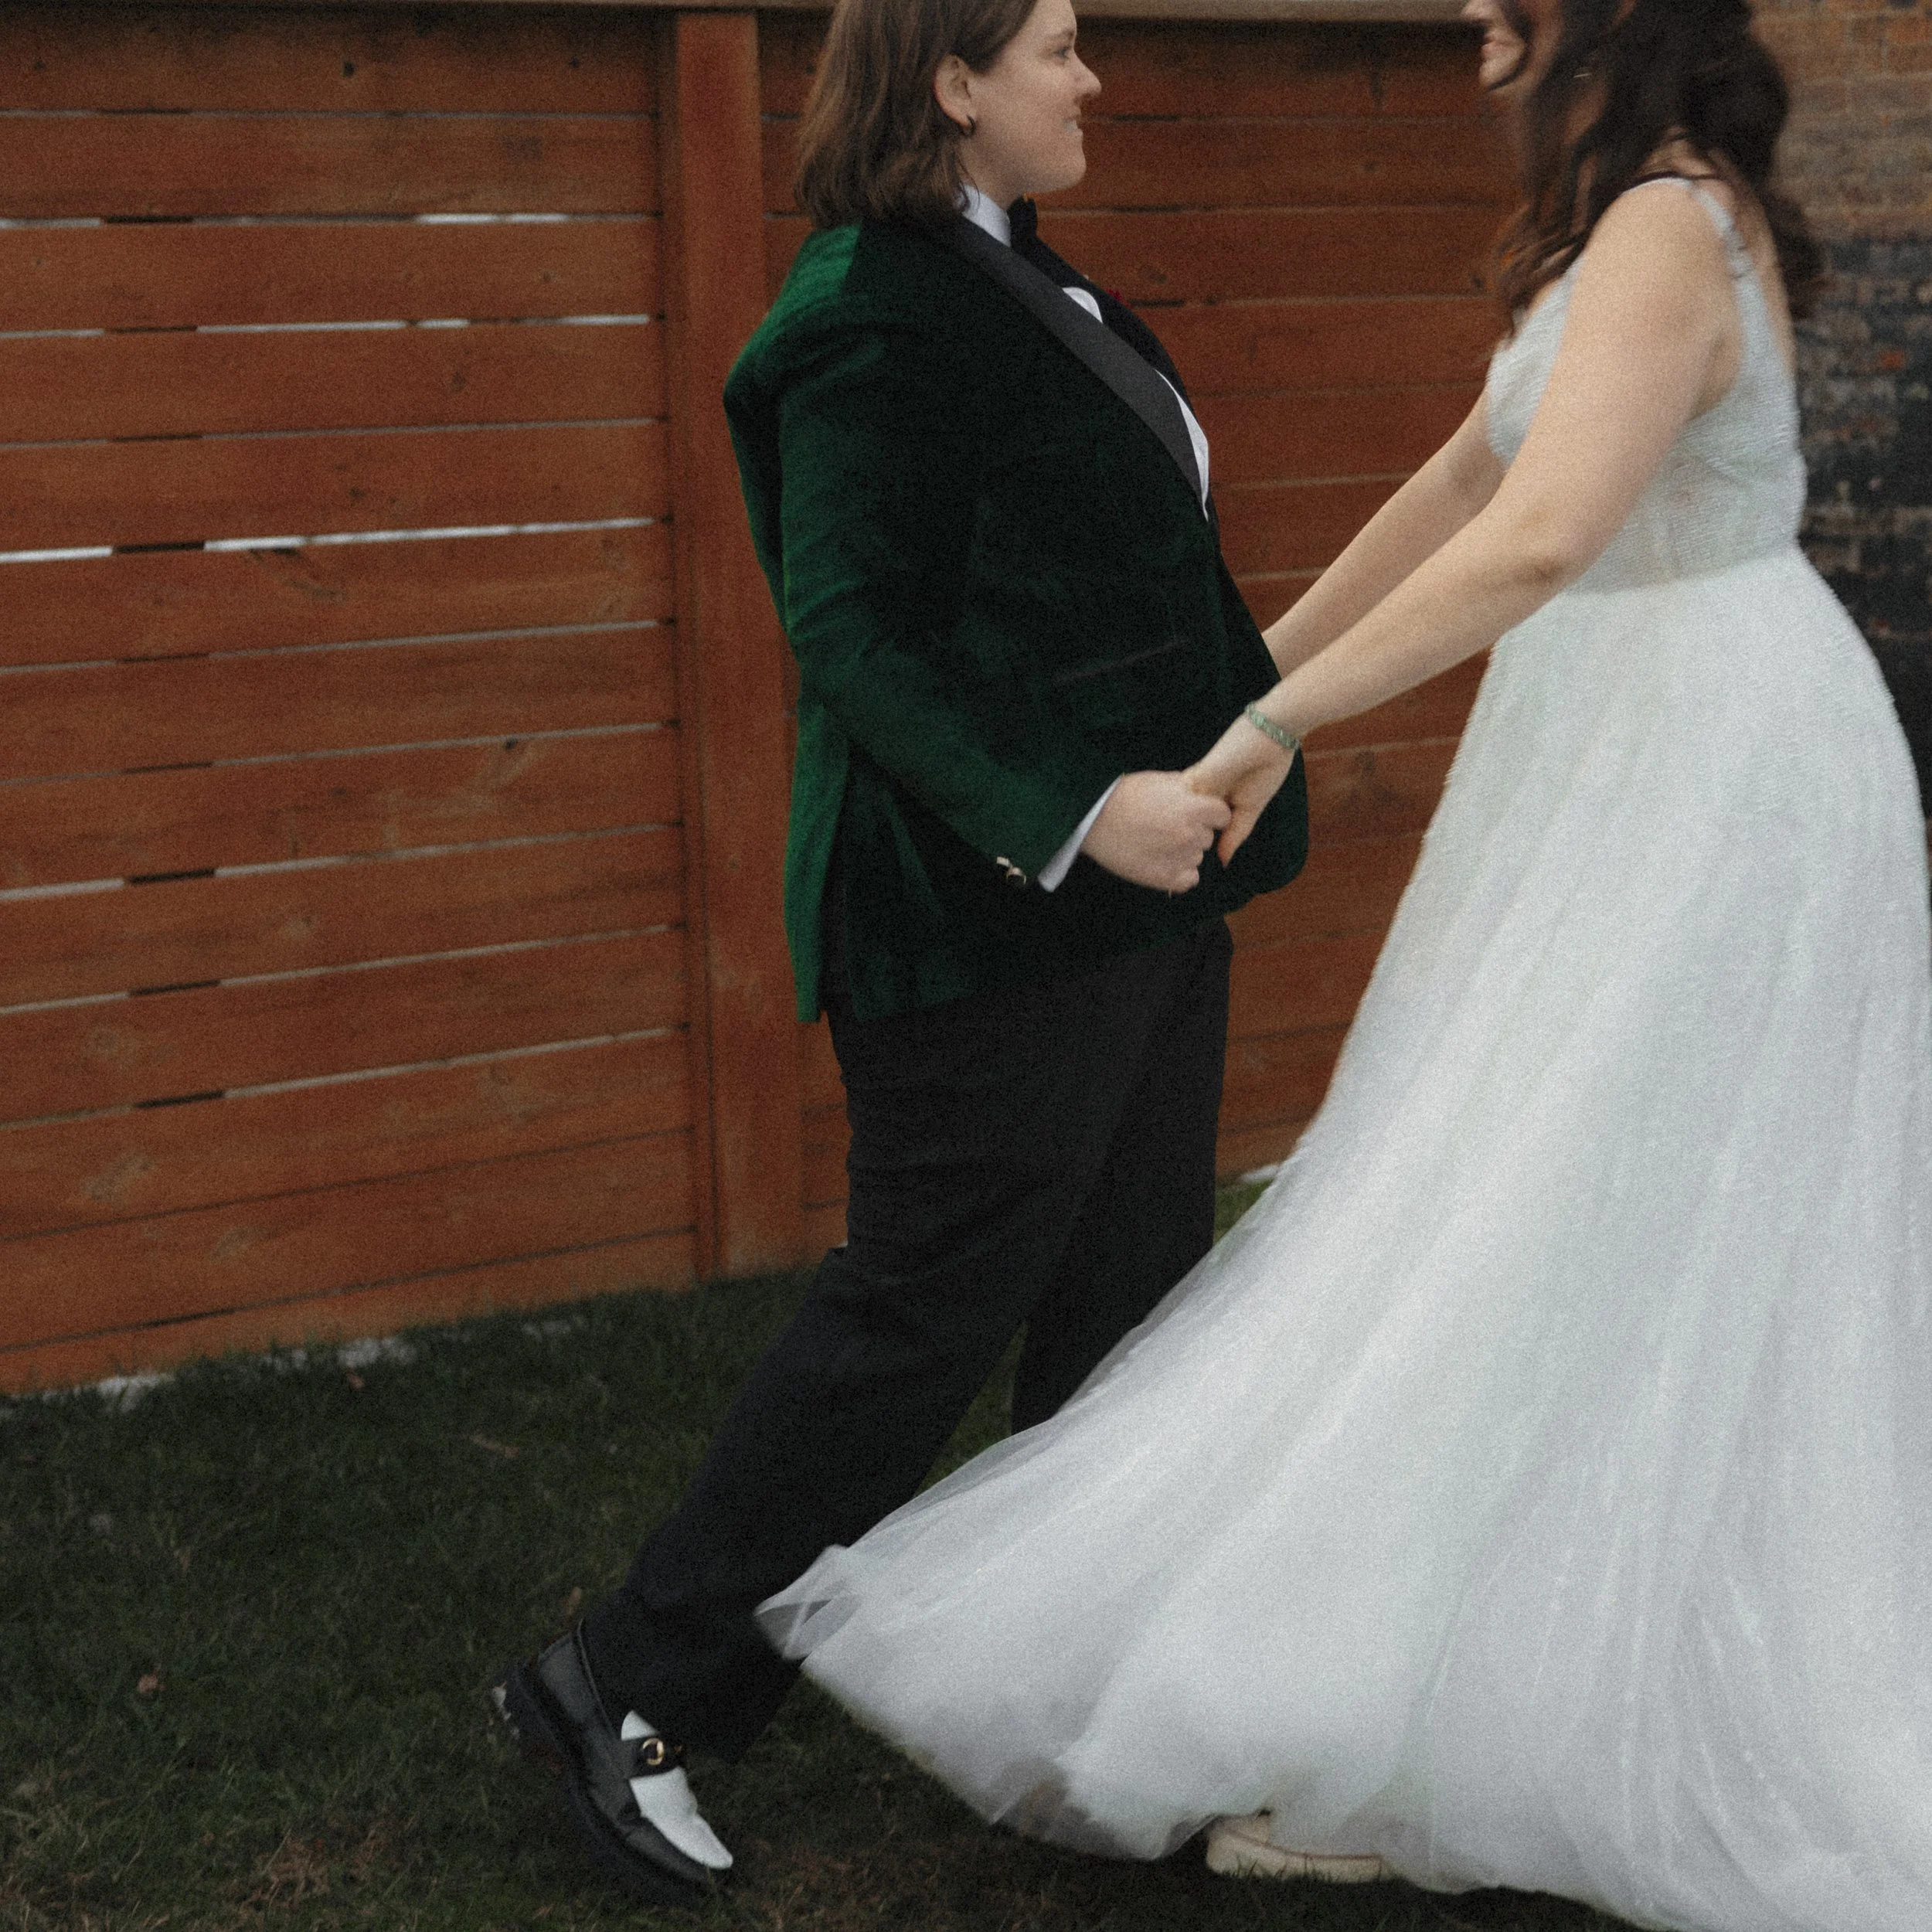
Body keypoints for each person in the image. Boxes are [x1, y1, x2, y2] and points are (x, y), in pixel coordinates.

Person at [758, 0, 1932, 1925]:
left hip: (1717, 769)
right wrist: (1250, 679)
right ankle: (1461, 1665)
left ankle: (1519, 1695)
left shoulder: (1667, 221)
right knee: (1521, 1190)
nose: (1470, 16)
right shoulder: (1614, 217)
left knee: (1599, 1198)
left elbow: (1540, 537)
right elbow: (1463, 479)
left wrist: (1268, 727)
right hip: (1609, 746)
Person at [490, 0, 1306, 1904]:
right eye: (1057, 48)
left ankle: (1087, 1723)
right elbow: (853, 635)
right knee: (916, 1318)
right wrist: (1072, 811)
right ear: (949, 81)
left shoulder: (1031, 282)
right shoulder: (864, 310)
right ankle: (624, 1685)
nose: (1090, 79)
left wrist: (1229, 748)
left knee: (1124, 1310)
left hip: (1141, 905)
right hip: (974, 925)